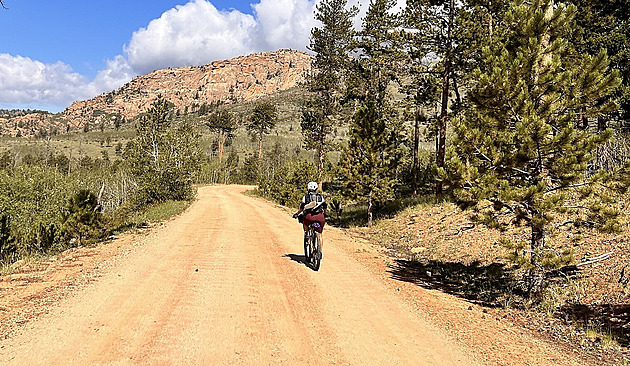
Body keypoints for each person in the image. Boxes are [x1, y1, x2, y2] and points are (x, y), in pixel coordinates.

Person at [293, 181, 327, 251]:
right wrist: (324, 213)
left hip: (309, 217)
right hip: (320, 217)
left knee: (305, 223)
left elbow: (301, 209)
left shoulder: (306, 197)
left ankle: (307, 235)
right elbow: (325, 207)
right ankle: (319, 251)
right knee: (320, 233)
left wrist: (297, 213)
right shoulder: (320, 197)